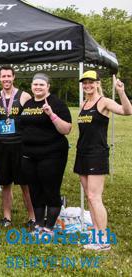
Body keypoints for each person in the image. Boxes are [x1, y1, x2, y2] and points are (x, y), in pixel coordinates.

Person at [75, 71, 132, 251]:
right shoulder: (83, 103)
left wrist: (121, 92)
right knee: (89, 197)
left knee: (94, 197)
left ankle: (103, 240)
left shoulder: (104, 102)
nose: (87, 86)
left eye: (91, 82)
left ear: (98, 83)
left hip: (97, 154)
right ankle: (95, 234)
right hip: (82, 153)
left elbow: (127, 111)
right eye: (85, 83)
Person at [20, 73, 72, 234]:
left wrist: (51, 114)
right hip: (29, 155)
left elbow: (67, 129)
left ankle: (49, 227)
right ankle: (38, 225)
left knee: (50, 189)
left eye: (41, 84)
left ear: (48, 86)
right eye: (35, 84)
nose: (38, 87)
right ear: (31, 86)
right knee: (35, 190)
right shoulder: (28, 104)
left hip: (52, 154)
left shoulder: (56, 103)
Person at [0, 66, 35, 228]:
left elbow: (32, 119)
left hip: (19, 145)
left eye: (9, 76)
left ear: (14, 77)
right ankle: (7, 217)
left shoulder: (24, 96)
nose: (6, 79)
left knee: (25, 183)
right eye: (3, 76)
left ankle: (32, 217)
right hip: (1, 145)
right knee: (5, 184)